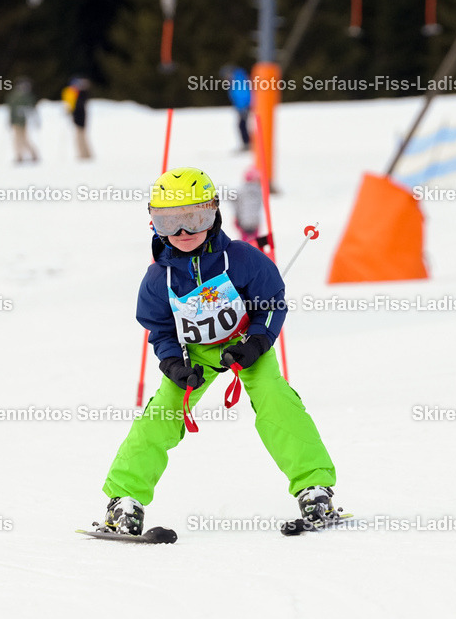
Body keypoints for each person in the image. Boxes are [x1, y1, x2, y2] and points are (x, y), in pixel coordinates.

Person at [99, 167, 338, 535]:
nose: (182, 234)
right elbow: (159, 328)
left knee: (276, 400)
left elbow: (272, 301)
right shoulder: (158, 278)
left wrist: (258, 340)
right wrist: (172, 363)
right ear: (153, 224)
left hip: (244, 344)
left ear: (213, 216)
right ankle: (124, 501)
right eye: (169, 223)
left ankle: (315, 488)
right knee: (163, 413)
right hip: (194, 353)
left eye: (194, 219)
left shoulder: (240, 259)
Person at [6, 78, 39, 164]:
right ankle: (19, 155)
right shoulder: (14, 96)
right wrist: (11, 120)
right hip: (16, 121)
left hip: (23, 121)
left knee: (24, 138)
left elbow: (31, 107)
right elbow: (11, 109)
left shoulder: (27, 96)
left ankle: (32, 154)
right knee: (17, 139)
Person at [221, 65, 252, 151]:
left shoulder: (239, 81)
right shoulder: (236, 81)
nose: (225, 79)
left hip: (244, 107)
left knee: (242, 125)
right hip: (242, 107)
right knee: (242, 125)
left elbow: (244, 95)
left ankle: (248, 144)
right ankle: (249, 143)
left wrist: (244, 107)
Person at [63, 76, 92, 160]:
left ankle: (83, 154)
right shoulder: (82, 94)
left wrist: (71, 110)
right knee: (82, 136)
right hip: (80, 119)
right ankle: (86, 154)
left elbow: (77, 108)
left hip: (80, 119)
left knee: (80, 137)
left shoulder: (80, 95)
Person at [233, 167, 264, 246]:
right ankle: (258, 250)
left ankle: (243, 250)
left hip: (243, 222)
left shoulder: (241, 191)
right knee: (256, 239)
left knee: (244, 240)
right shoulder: (259, 191)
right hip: (255, 221)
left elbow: (235, 202)